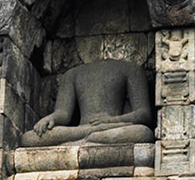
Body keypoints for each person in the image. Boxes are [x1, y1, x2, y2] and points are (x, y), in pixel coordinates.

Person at [20, 58, 155, 146]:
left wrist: (111, 121)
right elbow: (64, 114)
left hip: (114, 127)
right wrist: (51, 118)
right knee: (28, 139)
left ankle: (83, 141)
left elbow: (144, 114)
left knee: (143, 133)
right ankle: (91, 138)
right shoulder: (72, 74)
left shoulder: (131, 69)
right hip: (82, 130)